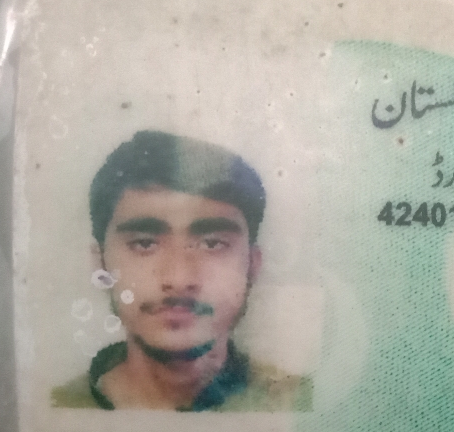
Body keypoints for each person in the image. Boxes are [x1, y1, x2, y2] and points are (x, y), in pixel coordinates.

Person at [52, 130, 311, 411]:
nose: (179, 279)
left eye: (212, 243)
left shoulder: (300, 407)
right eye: (145, 243)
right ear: (101, 264)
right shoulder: (56, 411)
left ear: (252, 265)